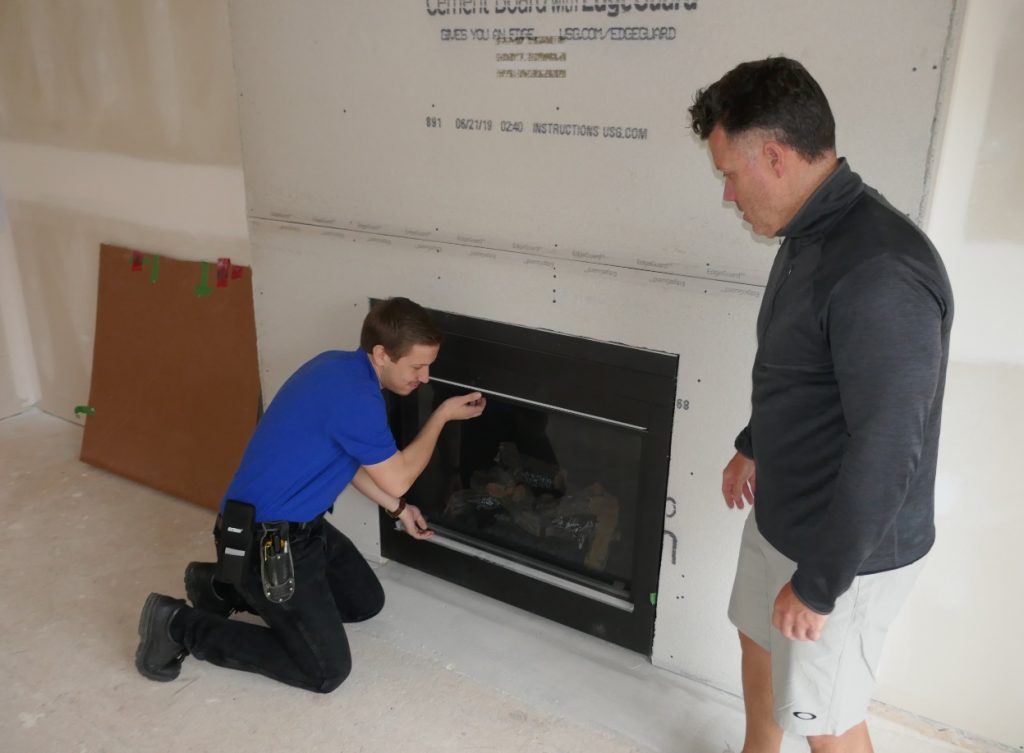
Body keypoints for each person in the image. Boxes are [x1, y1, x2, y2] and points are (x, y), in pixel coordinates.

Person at [689, 58, 953, 752]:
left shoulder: (879, 271)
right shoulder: (810, 231)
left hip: (847, 548)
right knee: (759, 645)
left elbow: (891, 446)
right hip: (787, 507)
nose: (727, 195)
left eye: (729, 174)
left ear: (773, 157)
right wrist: (754, 441)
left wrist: (819, 583)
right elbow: (797, 363)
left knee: (825, 716)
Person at [135, 297, 486, 692]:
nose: (425, 378)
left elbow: (354, 463)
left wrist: (398, 509)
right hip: (265, 542)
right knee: (325, 670)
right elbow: (399, 477)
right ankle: (177, 625)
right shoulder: (356, 398)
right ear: (382, 354)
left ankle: (220, 585)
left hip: (300, 527)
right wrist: (441, 416)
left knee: (363, 603)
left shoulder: (338, 367)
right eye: (417, 366)